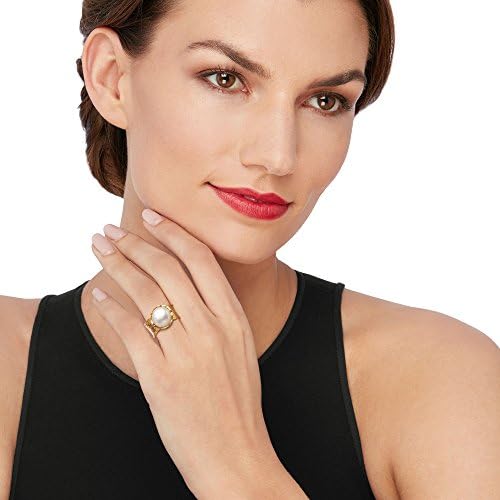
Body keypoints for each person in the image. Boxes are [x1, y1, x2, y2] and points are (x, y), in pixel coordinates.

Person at [1, 0, 499, 498]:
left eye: (325, 100)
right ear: (111, 78)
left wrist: (234, 464)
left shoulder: (442, 377)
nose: (278, 155)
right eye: (225, 79)